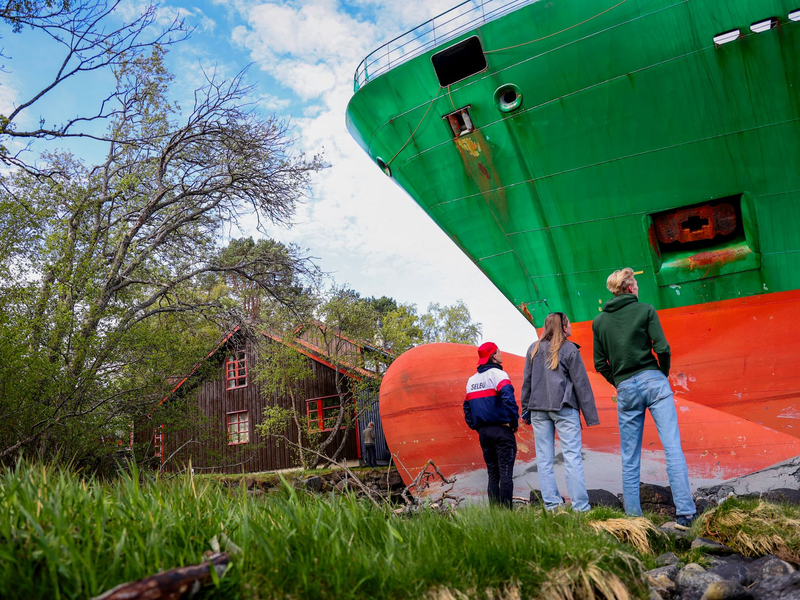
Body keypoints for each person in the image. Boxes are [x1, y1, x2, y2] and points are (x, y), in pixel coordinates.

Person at [593, 267, 697, 526]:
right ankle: (685, 513)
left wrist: (618, 381)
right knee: (672, 447)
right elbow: (662, 347)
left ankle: (633, 518)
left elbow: (600, 364)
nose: (638, 288)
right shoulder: (646, 310)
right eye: (636, 284)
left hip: (625, 387)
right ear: (629, 288)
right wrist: (661, 374)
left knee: (629, 456)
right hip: (653, 380)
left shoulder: (598, 322)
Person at [520, 312, 600, 512]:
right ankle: (580, 507)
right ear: (564, 327)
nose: (571, 326)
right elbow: (582, 385)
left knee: (544, 459)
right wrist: (590, 416)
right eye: (569, 323)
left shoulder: (533, 349)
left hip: (538, 409)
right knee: (572, 457)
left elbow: (527, 383)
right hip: (564, 407)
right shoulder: (569, 349)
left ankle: (551, 505)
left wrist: (525, 410)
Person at [464, 342, 520, 507]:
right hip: (502, 430)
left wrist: (476, 426)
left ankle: (495, 514)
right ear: (494, 356)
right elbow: (508, 399)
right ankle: (507, 515)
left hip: (484, 434)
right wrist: (513, 422)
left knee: (493, 475)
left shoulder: (471, 381)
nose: (501, 354)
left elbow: (466, 407)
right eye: (499, 352)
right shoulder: (498, 375)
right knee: (505, 474)